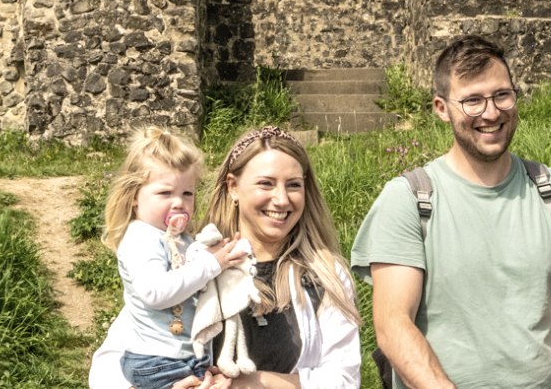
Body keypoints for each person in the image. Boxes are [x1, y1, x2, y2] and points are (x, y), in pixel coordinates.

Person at [350, 35, 551, 389]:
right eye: (472, 100)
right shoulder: (409, 200)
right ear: (441, 108)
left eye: (501, 95)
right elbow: (393, 325)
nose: (491, 113)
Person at [91, 126, 363, 389]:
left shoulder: (324, 275)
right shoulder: (195, 259)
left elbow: (344, 380)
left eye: (293, 185)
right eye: (266, 184)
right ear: (233, 187)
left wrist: (257, 383)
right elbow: (112, 363)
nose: (281, 199)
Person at [99, 127, 247, 389]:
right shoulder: (140, 238)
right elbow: (155, 293)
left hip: (181, 359)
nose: (178, 202)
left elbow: (194, 281)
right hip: (156, 362)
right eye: (165, 193)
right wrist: (212, 264)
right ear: (134, 196)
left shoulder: (180, 239)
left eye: (187, 193)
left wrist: (216, 255)